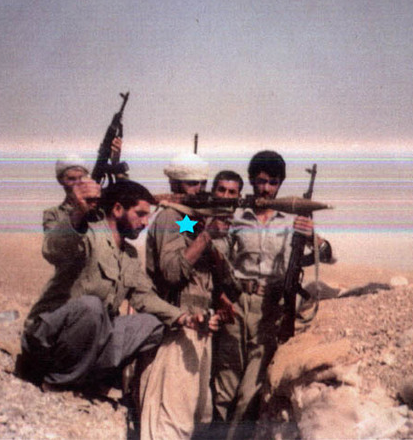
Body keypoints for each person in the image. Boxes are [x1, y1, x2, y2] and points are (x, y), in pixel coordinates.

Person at [19, 177, 203, 392]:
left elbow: (144, 297)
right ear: (117, 209)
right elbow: (54, 249)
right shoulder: (88, 233)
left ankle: (88, 377)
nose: (145, 223)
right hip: (48, 337)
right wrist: (78, 213)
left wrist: (184, 318)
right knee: (91, 307)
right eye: (140, 214)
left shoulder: (129, 254)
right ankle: (57, 382)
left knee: (152, 325)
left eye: (148, 216)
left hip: (88, 341)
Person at [215, 151, 333, 439]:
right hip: (235, 304)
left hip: (270, 309)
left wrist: (312, 236)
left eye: (273, 183)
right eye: (260, 181)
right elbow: (210, 246)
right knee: (224, 387)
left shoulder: (292, 220)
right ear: (252, 181)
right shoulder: (237, 216)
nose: (266, 188)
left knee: (250, 392)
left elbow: (328, 255)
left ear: (280, 184)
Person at [139, 154, 231, 439]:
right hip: (177, 329)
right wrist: (207, 236)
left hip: (199, 328)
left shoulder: (186, 221)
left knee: (193, 414)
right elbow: (171, 272)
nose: (198, 189)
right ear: (174, 183)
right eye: (191, 184)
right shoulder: (169, 217)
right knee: (171, 420)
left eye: (202, 183)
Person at [42, 139, 125, 261]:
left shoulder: (101, 207)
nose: (77, 183)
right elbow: (52, 251)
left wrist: (116, 167)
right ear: (60, 181)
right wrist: (78, 213)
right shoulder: (54, 214)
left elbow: (127, 204)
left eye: (81, 178)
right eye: (71, 179)